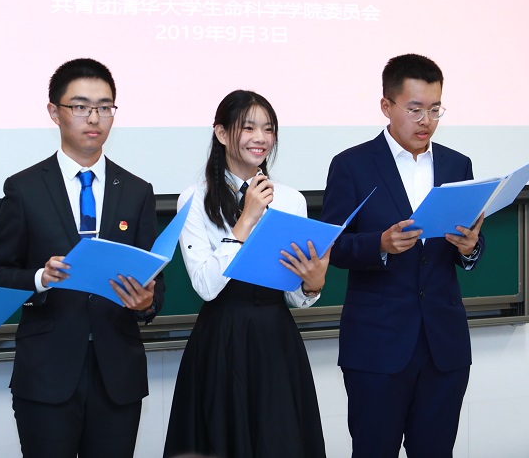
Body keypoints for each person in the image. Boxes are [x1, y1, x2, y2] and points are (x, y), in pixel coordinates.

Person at [0, 58, 165, 458]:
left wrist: (146, 302)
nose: (94, 118)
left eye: (104, 107)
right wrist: (40, 278)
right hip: (47, 373)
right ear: (55, 112)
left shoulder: (137, 191)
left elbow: (156, 282)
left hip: (117, 374)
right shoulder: (24, 189)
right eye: (81, 106)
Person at [320, 53, 485, 457]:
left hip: (443, 346)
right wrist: (379, 244)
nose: (426, 121)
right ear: (386, 106)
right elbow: (333, 246)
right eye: (415, 109)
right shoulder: (352, 165)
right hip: (377, 346)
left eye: (435, 109)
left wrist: (471, 248)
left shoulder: (457, 165)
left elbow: (469, 244)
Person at [164, 90, 328, 458]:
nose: (261, 138)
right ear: (222, 133)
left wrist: (311, 285)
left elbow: (294, 295)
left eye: (268, 129)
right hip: (222, 340)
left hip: (276, 339)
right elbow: (205, 286)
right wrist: (245, 221)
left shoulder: (291, 199)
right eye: (249, 127)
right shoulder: (195, 198)